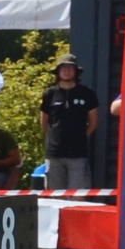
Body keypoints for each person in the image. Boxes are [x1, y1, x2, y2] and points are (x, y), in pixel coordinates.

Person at [40, 54, 98, 189]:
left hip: (78, 153)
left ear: (76, 71)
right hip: (54, 154)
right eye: (63, 67)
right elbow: (44, 123)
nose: (66, 70)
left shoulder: (87, 93)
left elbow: (94, 122)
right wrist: (54, 138)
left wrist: (81, 137)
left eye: (70, 67)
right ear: (58, 71)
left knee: (78, 196)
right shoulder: (49, 94)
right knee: (54, 198)